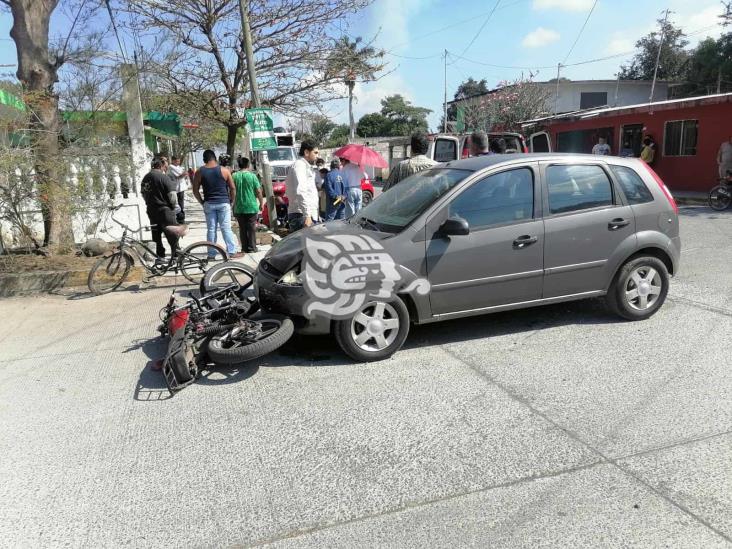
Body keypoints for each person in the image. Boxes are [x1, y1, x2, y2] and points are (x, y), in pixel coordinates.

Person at [192, 149, 241, 258]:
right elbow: (233, 188)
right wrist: (231, 201)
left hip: (209, 203)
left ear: (204, 159)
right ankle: (232, 252)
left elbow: (195, 190)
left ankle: (211, 253)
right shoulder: (224, 170)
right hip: (223, 203)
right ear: (215, 158)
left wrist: (202, 202)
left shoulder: (200, 172)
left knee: (211, 229)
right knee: (226, 228)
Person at [141, 156, 182, 258]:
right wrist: (173, 207)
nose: (167, 165)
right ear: (161, 165)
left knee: (156, 235)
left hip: (151, 211)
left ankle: (160, 256)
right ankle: (176, 255)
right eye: (166, 163)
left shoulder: (145, 178)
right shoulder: (164, 177)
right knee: (172, 235)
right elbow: (172, 196)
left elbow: (143, 194)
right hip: (165, 211)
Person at [285, 139, 320, 231]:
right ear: (306, 152)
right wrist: (307, 215)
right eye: (315, 153)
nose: (317, 156)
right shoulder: (300, 165)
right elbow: (301, 191)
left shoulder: (305, 166)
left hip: (304, 215)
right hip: (301, 215)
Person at [232, 156, 263, 254]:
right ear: (248, 165)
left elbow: (231, 191)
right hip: (251, 206)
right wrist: (261, 203)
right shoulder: (252, 176)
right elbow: (258, 191)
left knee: (242, 228)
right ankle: (252, 247)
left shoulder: (234, 176)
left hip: (239, 206)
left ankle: (244, 248)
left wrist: (232, 204)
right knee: (251, 228)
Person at [168, 156, 189, 223]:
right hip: (176, 188)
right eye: (177, 161)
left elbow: (184, 173)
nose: (178, 162)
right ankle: (179, 219)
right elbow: (180, 174)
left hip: (181, 188)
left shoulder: (178, 167)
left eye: (179, 161)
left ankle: (181, 219)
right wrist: (183, 174)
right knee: (177, 205)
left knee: (181, 204)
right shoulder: (171, 167)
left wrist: (183, 173)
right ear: (173, 161)